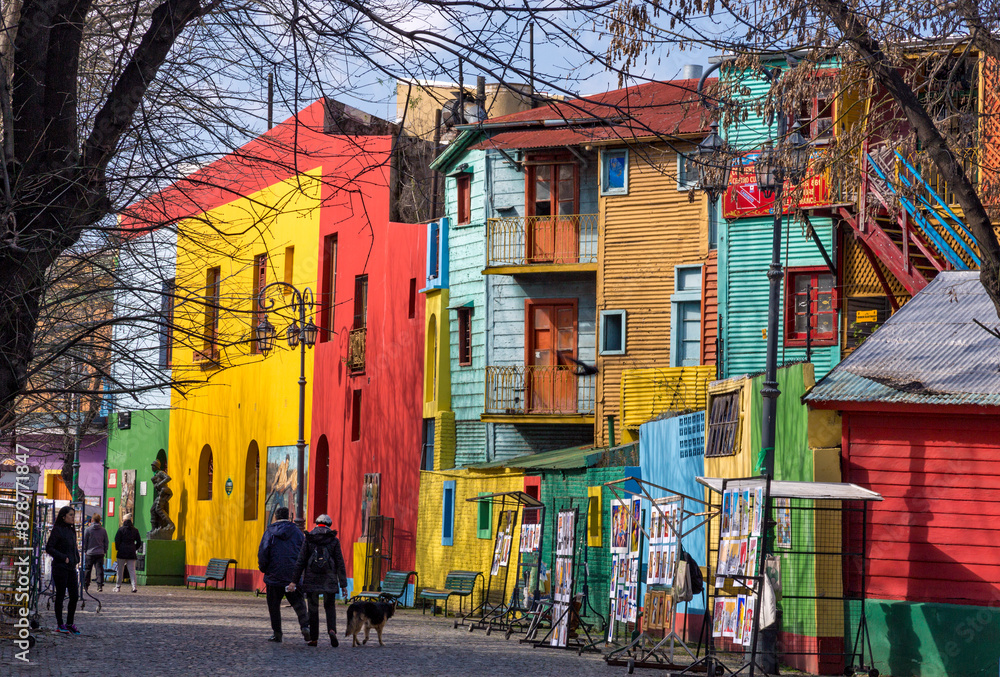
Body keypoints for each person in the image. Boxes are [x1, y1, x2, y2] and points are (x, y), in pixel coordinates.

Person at [288, 514, 348, 647]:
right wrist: (343, 585)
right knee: (330, 607)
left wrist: (294, 581)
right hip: (330, 579)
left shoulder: (309, 538)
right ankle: (331, 630)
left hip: (311, 579)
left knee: (313, 609)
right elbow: (340, 563)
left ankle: (314, 638)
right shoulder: (334, 540)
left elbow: (301, 561)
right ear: (329, 525)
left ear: (316, 523)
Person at [257, 507, 309, 642]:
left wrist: (264, 568)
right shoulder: (297, 533)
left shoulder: (270, 532)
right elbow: (304, 553)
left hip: (274, 575)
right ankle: (305, 626)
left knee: (273, 606)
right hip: (293, 575)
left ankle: (277, 633)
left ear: (275, 517)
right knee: (298, 603)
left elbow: (263, 552)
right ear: (289, 517)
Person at [45, 505, 80, 634]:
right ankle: (60, 624)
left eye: (73, 515)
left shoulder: (71, 530)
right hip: (60, 567)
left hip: (71, 567)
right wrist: (63, 557)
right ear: (63, 516)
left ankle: (70, 623)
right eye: (70, 515)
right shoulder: (57, 530)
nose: (73, 517)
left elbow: (73, 546)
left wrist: (76, 557)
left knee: (74, 596)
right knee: (60, 595)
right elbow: (49, 547)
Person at [114, 514, 142, 593]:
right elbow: (139, 542)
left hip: (122, 552)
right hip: (131, 553)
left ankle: (118, 587)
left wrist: (118, 548)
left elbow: (117, 540)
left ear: (124, 520)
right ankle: (134, 587)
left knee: (120, 570)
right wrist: (134, 548)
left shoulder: (121, 530)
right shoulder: (135, 530)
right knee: (132, 570)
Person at [82, 515, 109, 592]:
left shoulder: (88, 530)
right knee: (99, 569)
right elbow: (106, 542)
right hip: (100, 553)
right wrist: (104, 551)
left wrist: (85, 550)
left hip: (90, 553)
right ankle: (99, 585)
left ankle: (86, 585)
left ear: (92, 520)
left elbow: (85, 541)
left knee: (88, 569)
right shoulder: (103, 530)